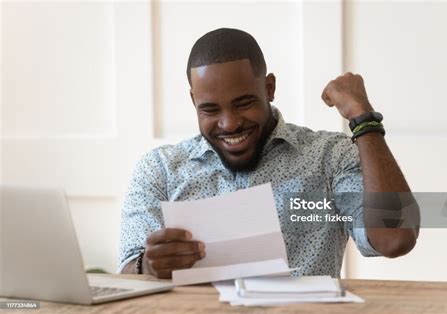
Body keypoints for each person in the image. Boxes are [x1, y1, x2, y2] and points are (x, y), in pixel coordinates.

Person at [118, 28, 419, 279]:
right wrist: (148, 265)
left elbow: (394, 239)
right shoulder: (159, 170)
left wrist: (363, 118)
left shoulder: (330, 157)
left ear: (269, 87)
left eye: (243, 103)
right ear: (193, 100)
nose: (230, 123)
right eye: (210, 109)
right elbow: (128, 270)